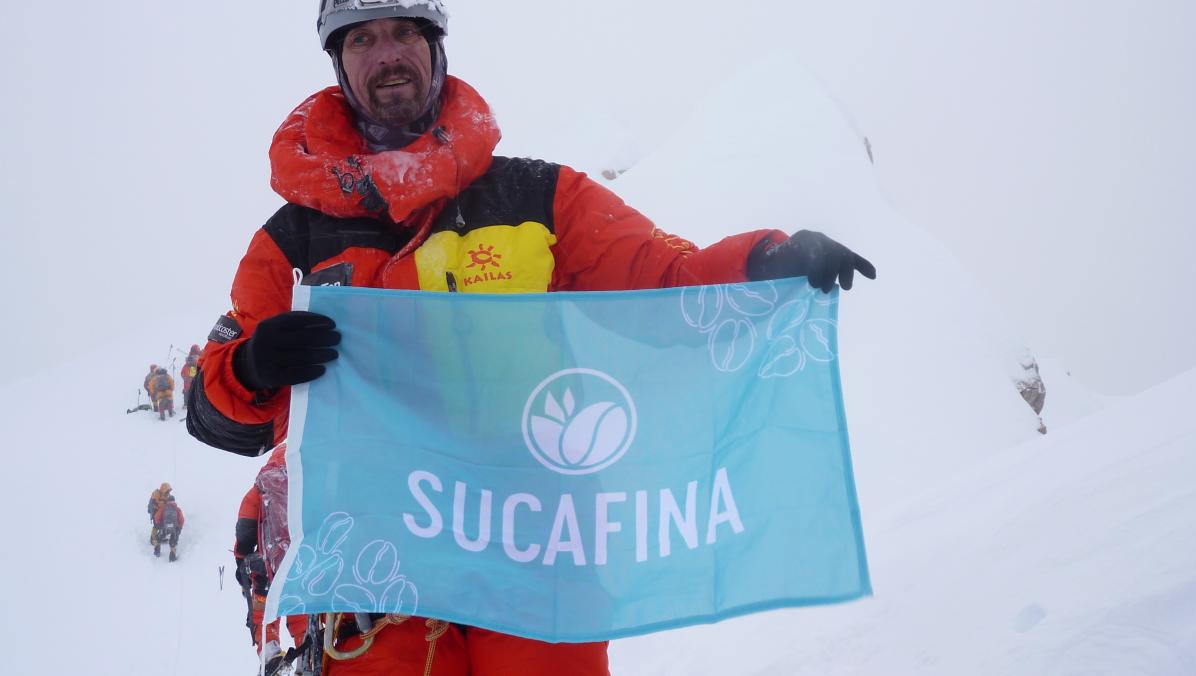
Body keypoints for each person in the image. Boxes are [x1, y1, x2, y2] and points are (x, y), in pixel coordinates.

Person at [186, 1, 875, 673]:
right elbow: (217, 414)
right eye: (363, 40)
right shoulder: (291, 240)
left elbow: (667, 280)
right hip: (366, 570)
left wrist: (765, 266)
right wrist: (251, 365)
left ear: (436, 49)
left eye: (404, 34)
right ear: (338, 61)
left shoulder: (539, 200)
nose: (388, 54)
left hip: (528, 537)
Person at [234, 482, 308, 674]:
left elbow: (245, 527)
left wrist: (241, 561)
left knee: (264, 611)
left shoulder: (261, 486)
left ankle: (270, 653)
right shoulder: (310, 477)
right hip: (303, 561)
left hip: (267, 565)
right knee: (301, 608)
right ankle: (307, 652)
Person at [152, 494, 185, 562]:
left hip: (164, 528)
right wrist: (179, 528)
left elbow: (156, 517)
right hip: (174, 529)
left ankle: (157, 552)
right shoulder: (177, 509)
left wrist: (159, 525)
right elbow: (182, 520)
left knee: (158, 538)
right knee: (173, 542)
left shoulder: (163, 508)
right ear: (174, 501)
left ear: (167, 501)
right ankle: (172, 557)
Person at [181, 345, 202, 409]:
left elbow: (183, 374)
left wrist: (186, 378)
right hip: (196, 378)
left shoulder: (188, 363)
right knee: (197, 390)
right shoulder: (199, 357)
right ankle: (197, 403)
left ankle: (186, 404)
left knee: (187, 390)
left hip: (188, 380)